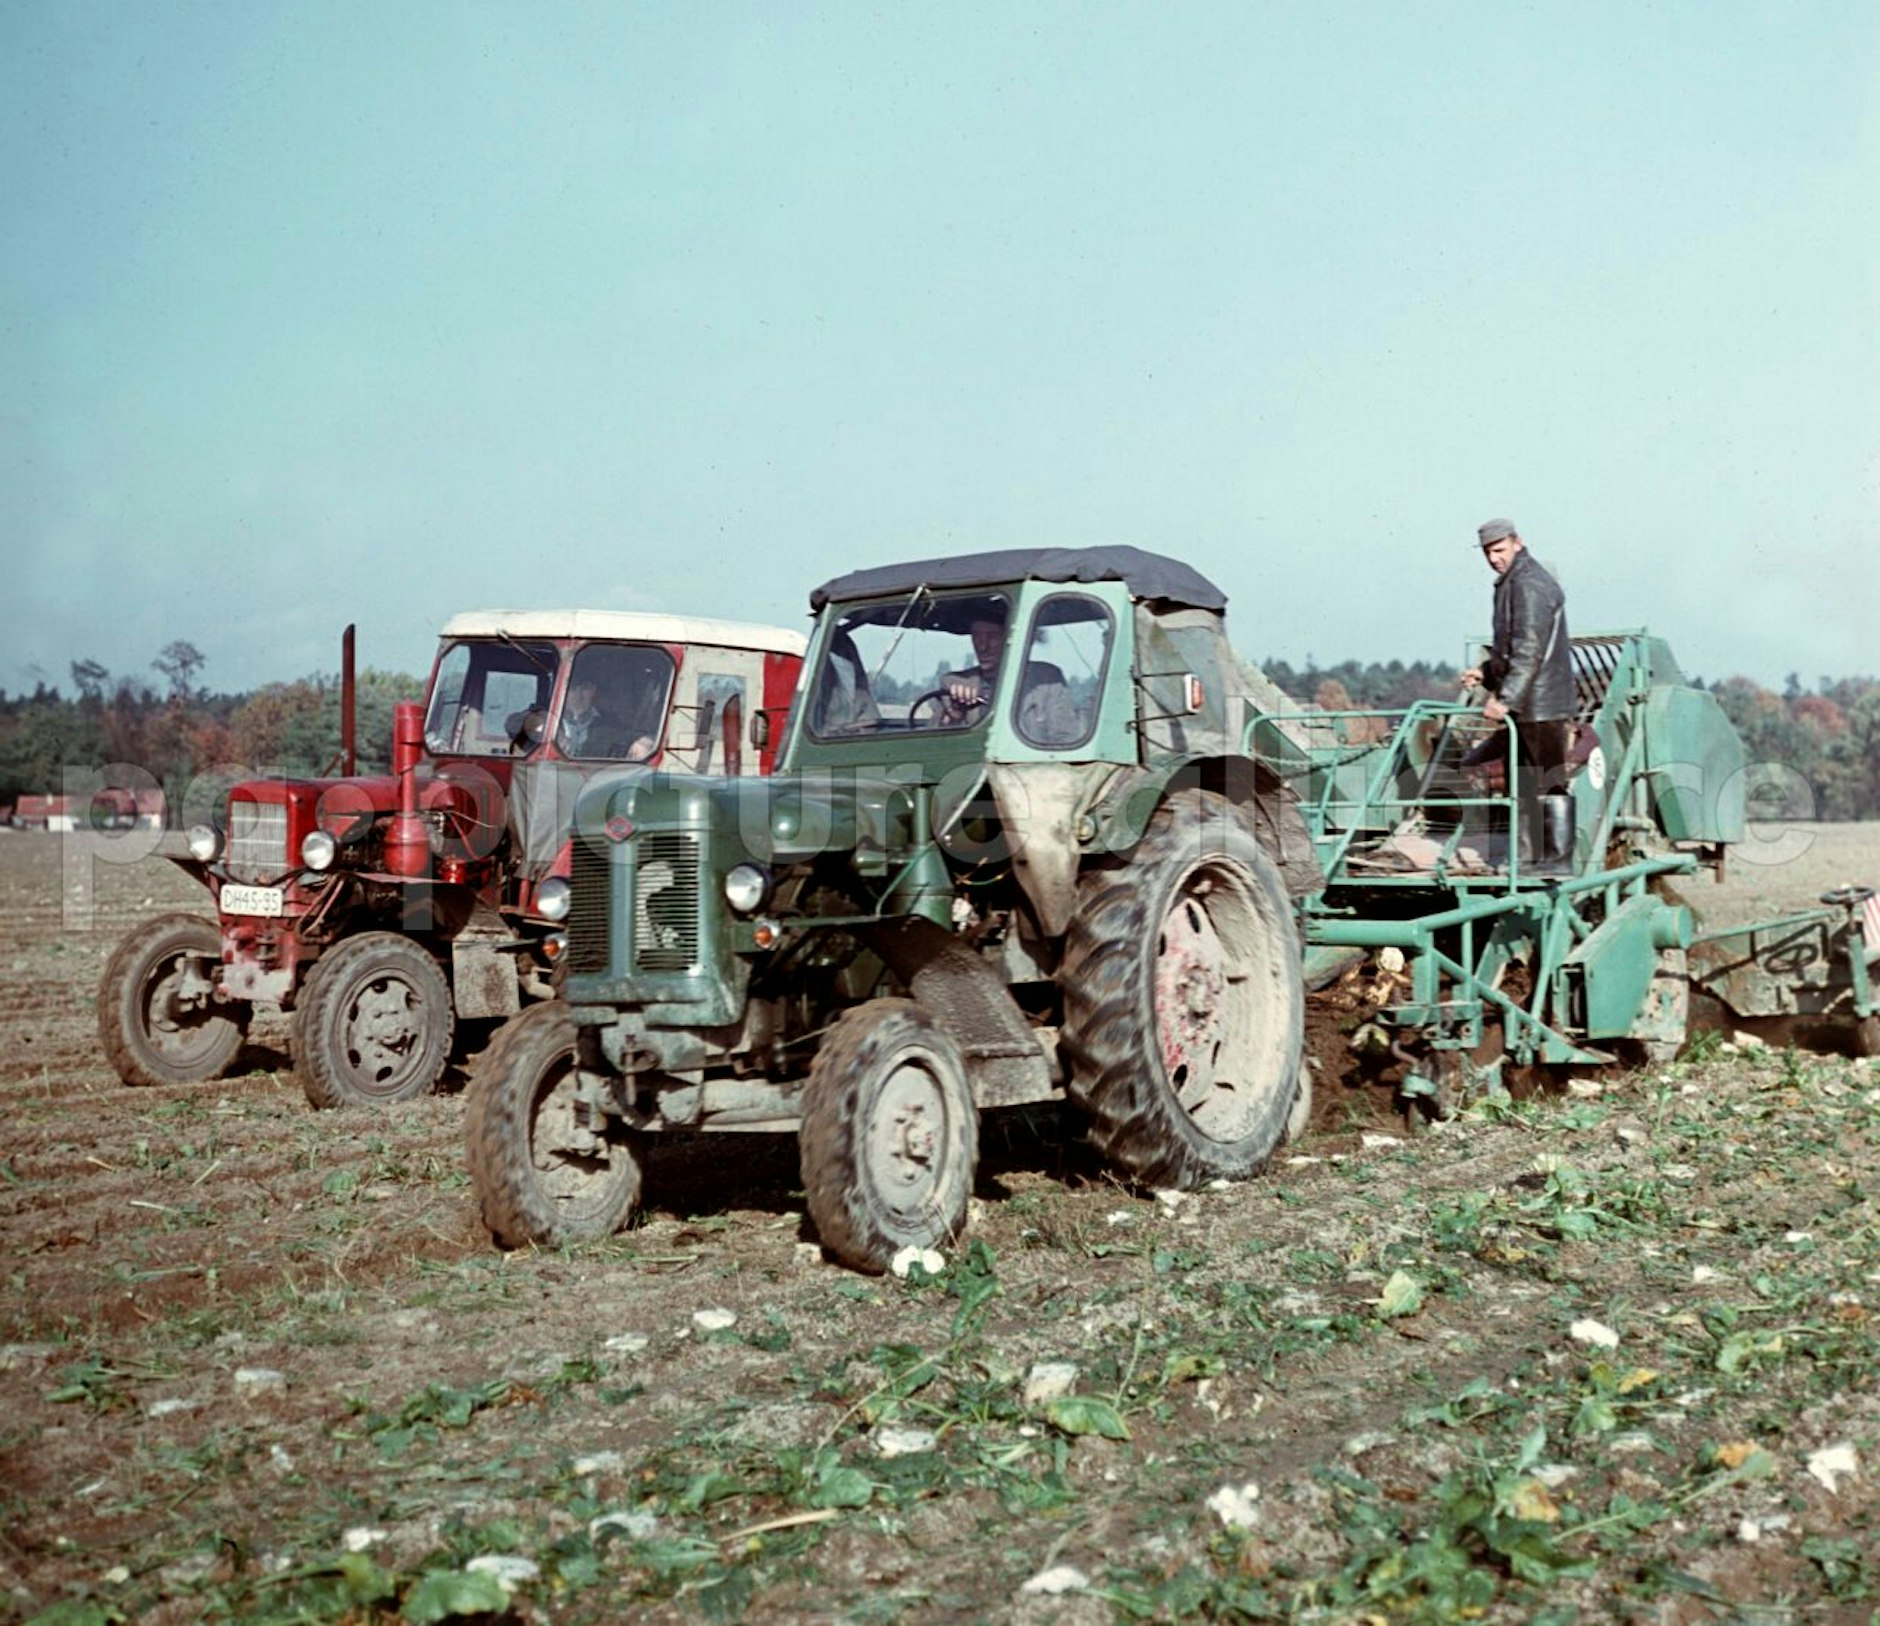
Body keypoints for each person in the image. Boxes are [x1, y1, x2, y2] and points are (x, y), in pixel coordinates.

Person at [1459, 518, 1576, 872]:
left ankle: (1556, 861)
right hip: (1532, 703)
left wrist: (1505, 698)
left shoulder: (1528, 584)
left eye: (1499, 550)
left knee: (1546, 783)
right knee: (1526, 785)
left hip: (1540, 704)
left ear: (1517, 542)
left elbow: (1529, 649)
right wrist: (1486, 673)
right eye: (1487, 553)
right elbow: (1511, 646)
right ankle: (1529, 859)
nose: (1493, 559)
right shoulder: (1515, 581)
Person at [940, 612, 1081, 745]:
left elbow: (1066, 739)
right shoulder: (954, 684)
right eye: (977, 636)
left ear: (1012, 639)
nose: (982, 646)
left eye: (993, 636)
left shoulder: (1046, 681)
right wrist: (953, 718)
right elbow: (937, 744)